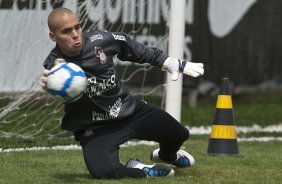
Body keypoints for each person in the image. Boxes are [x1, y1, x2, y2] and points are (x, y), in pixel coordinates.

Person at [40, 7, 204, 179]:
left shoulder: (100, 40)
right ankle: (139, 168)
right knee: (104, 172)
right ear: (53, 36)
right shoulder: (56, 66)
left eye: (77, 27)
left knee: (179, 134)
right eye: (66, 31)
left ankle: (167, 156)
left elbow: (129, 45)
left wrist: (168, 61)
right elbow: (53, 74)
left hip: (129, 110)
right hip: (96, 127)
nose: (75, 34)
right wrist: (51, 84)